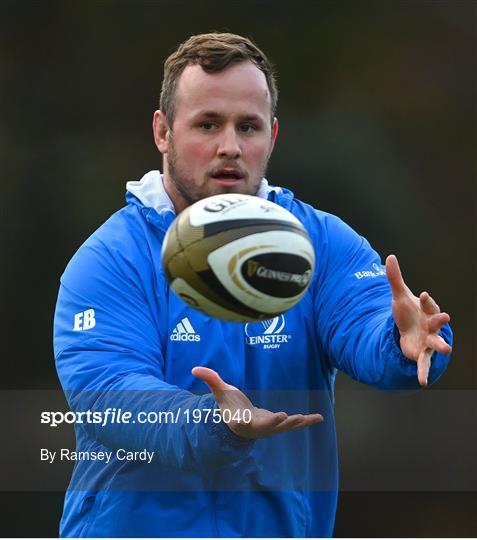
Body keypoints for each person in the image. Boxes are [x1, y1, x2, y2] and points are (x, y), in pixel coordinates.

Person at [54, 32, 453, 537]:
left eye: (248, 126)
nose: (230, 147)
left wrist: (399, 342)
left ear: (273, 135)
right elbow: (111, 394)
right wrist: (214, 424)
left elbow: (366, 319)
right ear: (162, 132)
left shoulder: (321, 243)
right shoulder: (110, 260)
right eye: (207, 124)